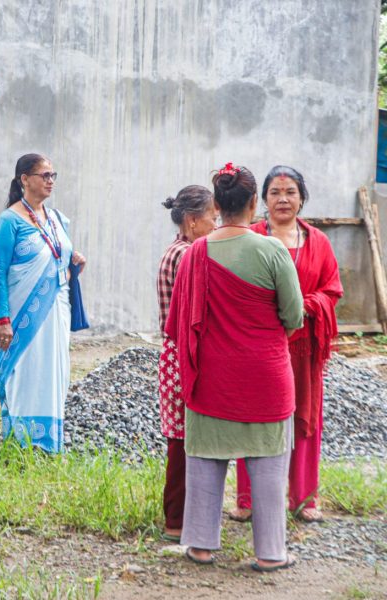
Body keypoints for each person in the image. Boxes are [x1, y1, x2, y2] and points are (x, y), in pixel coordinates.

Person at [165, 163, 303, 571]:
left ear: (217, 205)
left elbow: (175, 323)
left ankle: (202, 545)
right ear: (254, 202)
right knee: (268, 464)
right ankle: (271, 552)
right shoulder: (272, 249)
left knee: (206, 461)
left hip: (210, 379)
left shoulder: (195, 254)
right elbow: (294, 316)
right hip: (266, 376)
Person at [232, 166, 343, 523]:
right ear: (261, 200)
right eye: (275, 192)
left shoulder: (318, 242)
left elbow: (332, 290)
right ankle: (248, 500)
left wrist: (305, 305)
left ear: (302, 198)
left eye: (290, 192)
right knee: (256, 418)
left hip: (304, 347)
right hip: (260, 346)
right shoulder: (250, 236)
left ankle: (304, 498)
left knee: (305, 417)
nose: (283, 199)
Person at [0, 154, 86, 453]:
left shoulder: (57, 219)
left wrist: (75, 264)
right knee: (27, 373)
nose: (50, 180)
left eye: (53, 175)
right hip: (21, 318)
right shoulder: (9, 221)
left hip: (55, 311)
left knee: (53, 371)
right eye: (44, 175)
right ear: (24, 180)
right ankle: (21, 443)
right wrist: (3, 320)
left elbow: (58, 264)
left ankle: (49, 444)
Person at [156, 185, 217, 541]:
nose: (215, 223)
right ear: (193, 221)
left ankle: (181, 518)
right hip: (185, 356)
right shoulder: (187, 256)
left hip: (178, 355)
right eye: (212, 217)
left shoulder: (180, 250)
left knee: (183, 439)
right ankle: (177, 520)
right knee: (183, 441)